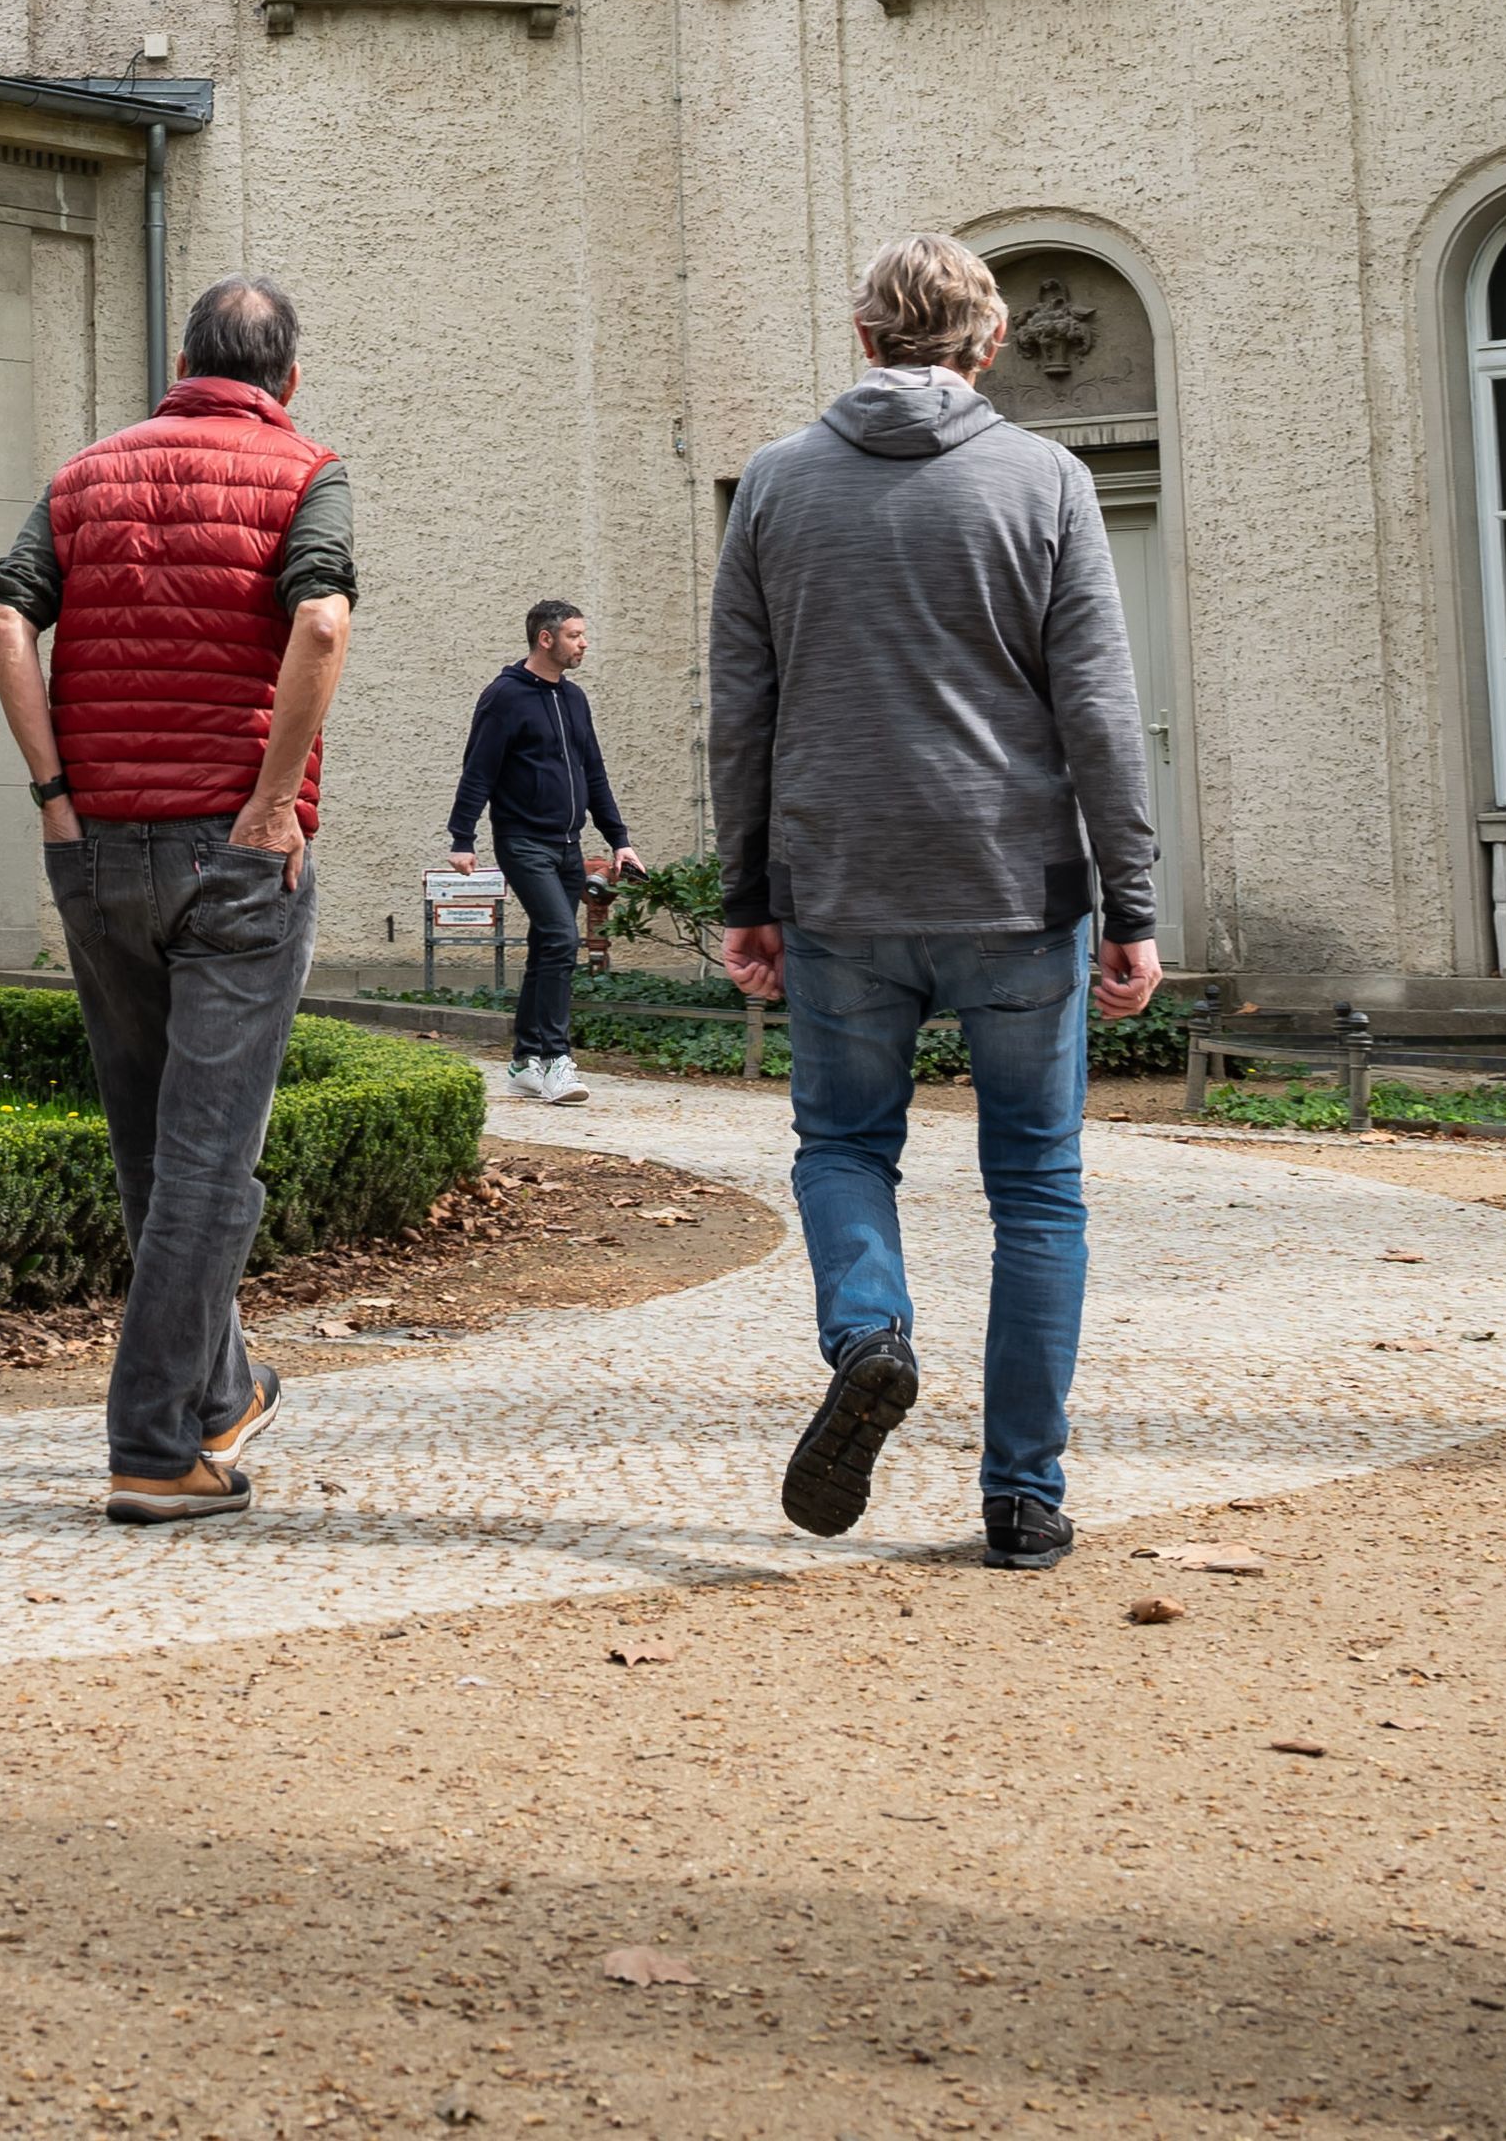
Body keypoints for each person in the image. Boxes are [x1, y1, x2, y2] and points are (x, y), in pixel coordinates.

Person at [706, 234, 1162, 1570]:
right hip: (1016, 889)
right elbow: (1101, 714)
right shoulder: (1048, 481)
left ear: (863, 338)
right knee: (1039, 1189)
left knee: (846, 1145)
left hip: (840, 884)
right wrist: (1131, 905)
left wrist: (746, 890)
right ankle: (1022, 1497)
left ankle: (870, 1334)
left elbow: (741, 712)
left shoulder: (777, 484)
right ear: (991, 343)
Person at [0, 272, 354, 1527]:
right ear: (286, 377)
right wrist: (273, 803)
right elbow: (320, 623)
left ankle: (219, 1390)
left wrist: (53, 794)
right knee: (212, 1159)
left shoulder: (84, 474)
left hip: (96, 851)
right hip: (235, 854)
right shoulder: (306, 470)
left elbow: (3, 619)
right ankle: (150, 1442)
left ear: (182, 366)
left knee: (152, 1145)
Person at [444, 599, 631, 1104]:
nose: (583, 643)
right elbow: (478, 770)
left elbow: (594, 773)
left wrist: (619, 839)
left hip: (568, 846)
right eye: (574, 635)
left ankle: (525, 1060)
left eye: (583, 634)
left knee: (548, 946)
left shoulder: (574, 699)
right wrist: (462, 838)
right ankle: (554, 1059)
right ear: (545, 639)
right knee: (560, 937)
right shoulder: (504, 696)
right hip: (523, 842)